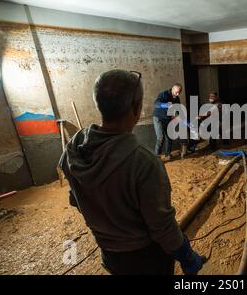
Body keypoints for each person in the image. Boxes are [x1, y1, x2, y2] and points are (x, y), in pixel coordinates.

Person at [59, 70, 203, 275]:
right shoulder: (143, 163)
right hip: (146, 258)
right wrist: (187, 256)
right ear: (136, 108)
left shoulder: (72, 151)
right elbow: (162, 227)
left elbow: (76, 200)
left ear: (99, 103)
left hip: (109, 254)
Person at [153, 83, 182, 161]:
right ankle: (156, 158)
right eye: (177, 92)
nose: (178, 94)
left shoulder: (177, 98)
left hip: (168, 119)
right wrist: (166, 105)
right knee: (160, 137)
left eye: (179, 92)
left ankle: (167, 154)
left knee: (169, 136)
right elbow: (156, 104)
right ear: (172, 89)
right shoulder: (164, 94)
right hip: (158, 118)